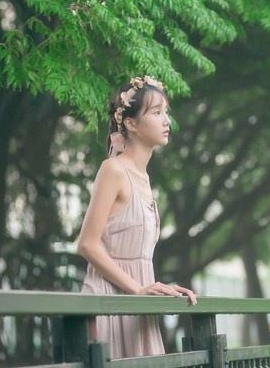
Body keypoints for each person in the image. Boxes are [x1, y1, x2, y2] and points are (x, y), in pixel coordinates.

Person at [76, 75, 198, 359]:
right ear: (130, 123)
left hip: (138, 306)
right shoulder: (113, 170)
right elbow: (87, 244)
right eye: (156, 113)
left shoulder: (142, 177)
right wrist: (138, 289)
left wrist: (160, 289)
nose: (166, 120)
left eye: (166, 112)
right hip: (109, 302)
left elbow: (136, 257)